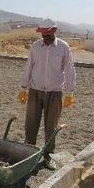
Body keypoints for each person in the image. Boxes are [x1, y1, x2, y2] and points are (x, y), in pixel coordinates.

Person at [19, 18, 76, 170]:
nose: (45, 37)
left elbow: (70, 69)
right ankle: (28, 153)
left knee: (51, 126)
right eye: (43, 35)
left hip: (55, 93)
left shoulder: (63, 47)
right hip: (35, 91)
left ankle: (48, 156)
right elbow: (28, 66)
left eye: (48, 34)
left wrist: (70, 92)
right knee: (31, 123)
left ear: (54, 31)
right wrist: (23, 88)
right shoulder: (35, 47)